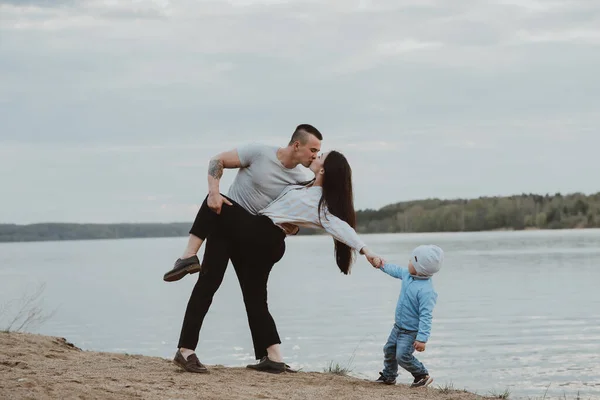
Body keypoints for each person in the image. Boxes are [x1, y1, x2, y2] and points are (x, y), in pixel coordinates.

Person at [173, 150, 382, 374]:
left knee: (215, 203)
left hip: (263, 235)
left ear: (323, 169)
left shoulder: (321, 205)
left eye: (320, 155)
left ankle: (187, 257)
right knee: (254, 298)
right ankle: (274, 357)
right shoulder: (303, 184)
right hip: (258, 239)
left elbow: (341, 227)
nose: (315, 156)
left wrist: (365, 250)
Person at [163, 124, 323, 374]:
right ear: (296, 145)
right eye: (313, 150)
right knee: (208, 283)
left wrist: (292, 227)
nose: (315, 155)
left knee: (256, 296)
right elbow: (218, 160)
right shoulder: (260, 152)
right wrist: (214, 193)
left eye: (318, 152)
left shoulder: (303, 180)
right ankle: (185, 351)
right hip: (225, 229)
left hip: (253, 239)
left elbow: (297, 214)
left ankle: (273, 357)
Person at [373, 244, 444, 388]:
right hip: (398, 327)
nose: (409, 262)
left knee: (402, 356)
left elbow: (426, 316)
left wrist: (422, 339)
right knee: (389, 350)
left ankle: (422, 375)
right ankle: (389, 375)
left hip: (411, 332)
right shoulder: (408, 275)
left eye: (412, 261)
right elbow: (396, 270)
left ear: (420, 268)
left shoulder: (426, 291)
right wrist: (381, 265)